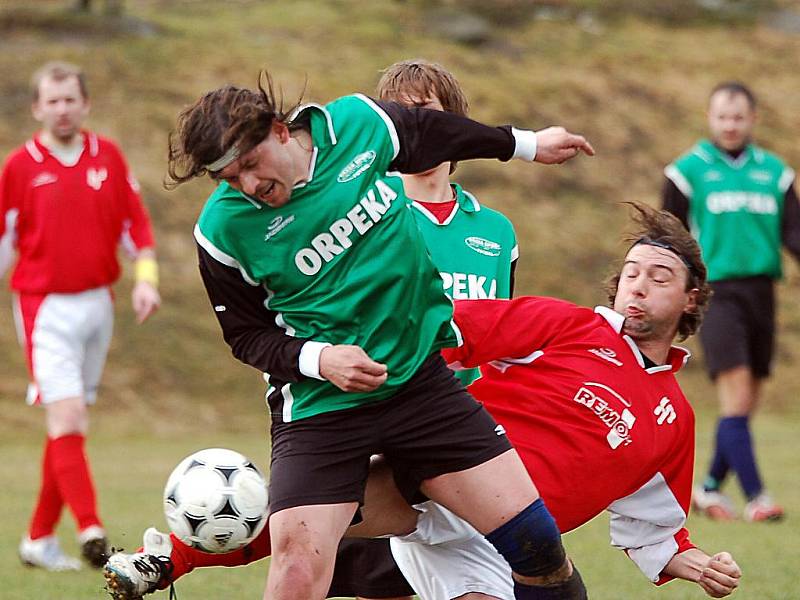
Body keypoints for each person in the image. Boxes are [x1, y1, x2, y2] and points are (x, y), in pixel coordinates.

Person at [103, 204, 741, 600]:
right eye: (631, 272)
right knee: (307, 528)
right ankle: (170, 555)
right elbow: (455, 329)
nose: (638, 288)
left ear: (691, 301)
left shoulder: (675, 422)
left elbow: (654, 530)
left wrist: (700, 567)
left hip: (500, 546)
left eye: (659, 279)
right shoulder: (577, 327)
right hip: (439, 481)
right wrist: (351, 350)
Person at [158, 71, 593, 600]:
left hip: (421, 387)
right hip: (322, 410)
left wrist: (524, 144)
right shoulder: (223, 231)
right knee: (296, 573)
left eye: (249, 165)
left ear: (278, 130)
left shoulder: (357, 126)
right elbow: (246, 336)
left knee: (538, 548)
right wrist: (322, 359)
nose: (247, 186)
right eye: (228, 179)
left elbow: (429, 132)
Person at [0, 61, 161, 571]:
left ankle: (38, 540)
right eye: (52, 100)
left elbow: (137, 228)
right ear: (37, 108)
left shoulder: (108, 157)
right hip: (44, 308)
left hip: (99, 305)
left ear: (84, 103)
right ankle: (92, 530)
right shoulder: (19, 167)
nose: (62, 108)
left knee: (64, 424)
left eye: (70, 98)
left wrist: (146, 281)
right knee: (68, 416)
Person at [662, 81, 799, 522]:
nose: (731, 125)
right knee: (737, 394)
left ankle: (708, 489)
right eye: (722, 116)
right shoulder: (687, 171)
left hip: (762, 292)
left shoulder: (775, 173)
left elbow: (793, 234)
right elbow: (670, 237)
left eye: (739, 117)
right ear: (709, 118)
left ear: (753, 119)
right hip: (717, 293)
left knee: (746, 401)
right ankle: (758, 498)